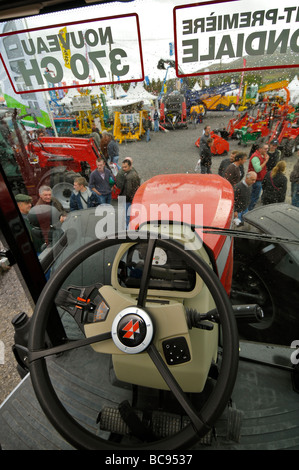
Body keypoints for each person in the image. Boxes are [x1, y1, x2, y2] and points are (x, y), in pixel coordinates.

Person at [116, 158, 140, 225]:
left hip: (127, 199)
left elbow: (128, 191)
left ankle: (126, 229)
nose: (123, 168)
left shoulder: (128, 177)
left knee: (126, 216)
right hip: (130, 198)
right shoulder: (133, 172)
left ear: (130, 166)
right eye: (123, 167)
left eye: (125, 167)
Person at [247, 142, 270, 210]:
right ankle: (249, 210)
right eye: (265, 149)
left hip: (258, 179)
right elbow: (257, 169)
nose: (267, 150)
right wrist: (266, 161)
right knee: (254, 196)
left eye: (267, 149)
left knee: (254, 196)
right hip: (255, 180)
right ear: (260, 149)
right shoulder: (255, 157)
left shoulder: (261, 155)